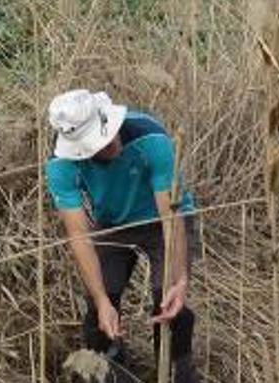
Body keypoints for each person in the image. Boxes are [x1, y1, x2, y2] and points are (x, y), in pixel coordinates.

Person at [45, 89, 198, 382]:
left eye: (109, 135)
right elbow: (79, 236)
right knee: (98, 310)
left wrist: (179, 279)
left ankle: (177, 370)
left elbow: (170, 216)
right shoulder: (60, 165)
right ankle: (110, 368)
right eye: (98, 145)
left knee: (167, 303)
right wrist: (102, 301)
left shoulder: (151, 137)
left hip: (162, 218)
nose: (109, 145)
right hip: (113, 222)